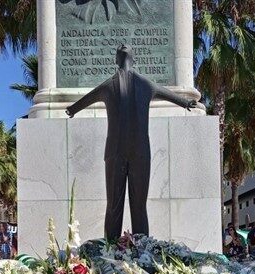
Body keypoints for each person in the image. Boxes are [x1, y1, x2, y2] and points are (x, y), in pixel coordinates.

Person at [66, 44, 197, 240]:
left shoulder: (136, 85)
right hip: (127, 153)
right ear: (126, 59)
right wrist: (73, 109)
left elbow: (86, 100)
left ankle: (133, 249)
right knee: (123, 205)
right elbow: (87, 99)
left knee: (128, 206)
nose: (123, 49)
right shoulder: (119, 85)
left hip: (129, 152)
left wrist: (185, 103)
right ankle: (122, 249)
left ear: (118, 59)